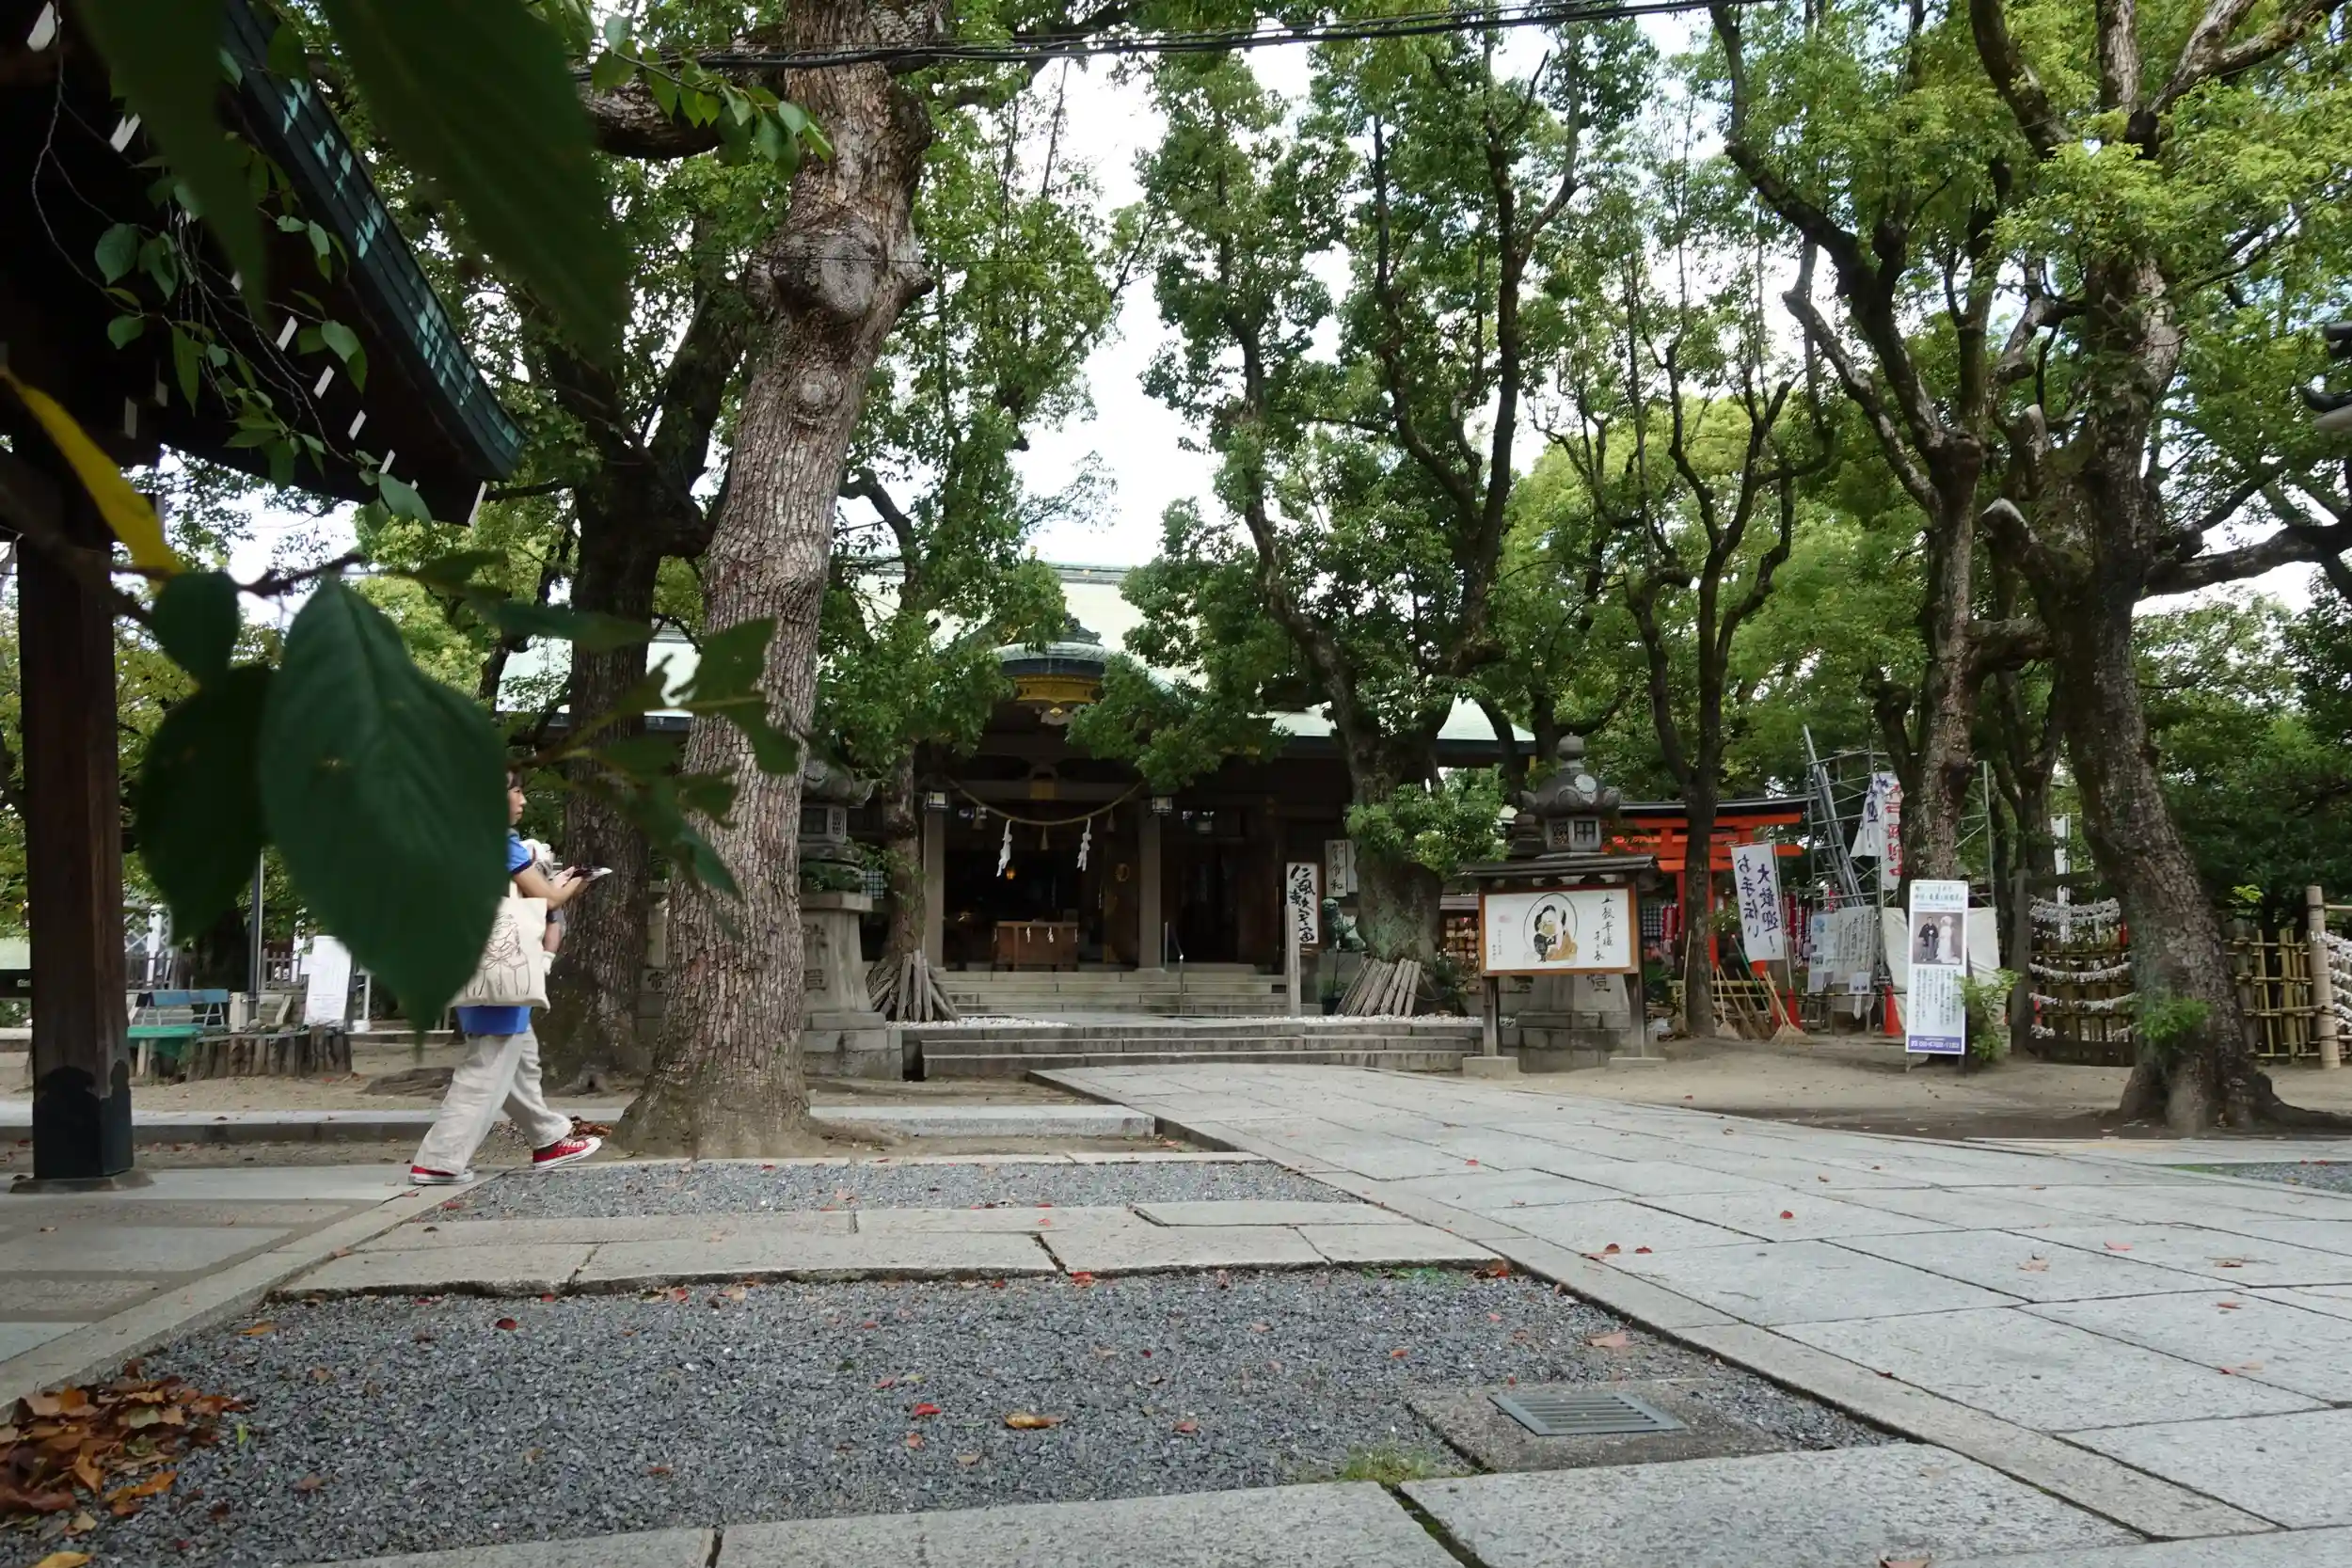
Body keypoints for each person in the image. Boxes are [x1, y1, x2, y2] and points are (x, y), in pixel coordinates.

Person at [408, 771, 601, 1185]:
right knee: (487, 1066)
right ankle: (439, 1160)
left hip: (471, 963)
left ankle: (548, 1139)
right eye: (516, 791)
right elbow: (546, 898)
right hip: (504, 968)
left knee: (520, 1060)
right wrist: (573, 884)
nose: (522, 800)